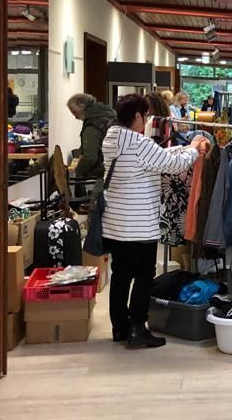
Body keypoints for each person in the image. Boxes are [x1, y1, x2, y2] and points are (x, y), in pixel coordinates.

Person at [101, 94, 210, 348]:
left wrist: (180, 148)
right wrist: (193, 149)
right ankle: (138, 328)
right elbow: (172, 165)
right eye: (146, 116)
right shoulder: (138, 143)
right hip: (139, 225)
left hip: (115, 223)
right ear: (138, 116)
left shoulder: (112, 139)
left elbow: (156, 156)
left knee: (120, 275)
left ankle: (120, 328)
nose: (147, 120)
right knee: (144, 276)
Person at [67, 92, 116, 184]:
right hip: (116, 171)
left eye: (74, 112)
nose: (75, 117)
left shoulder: (92, 126)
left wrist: (77, 172)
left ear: (81, 106)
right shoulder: (110, 117)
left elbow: (90, 157)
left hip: (100, 175)